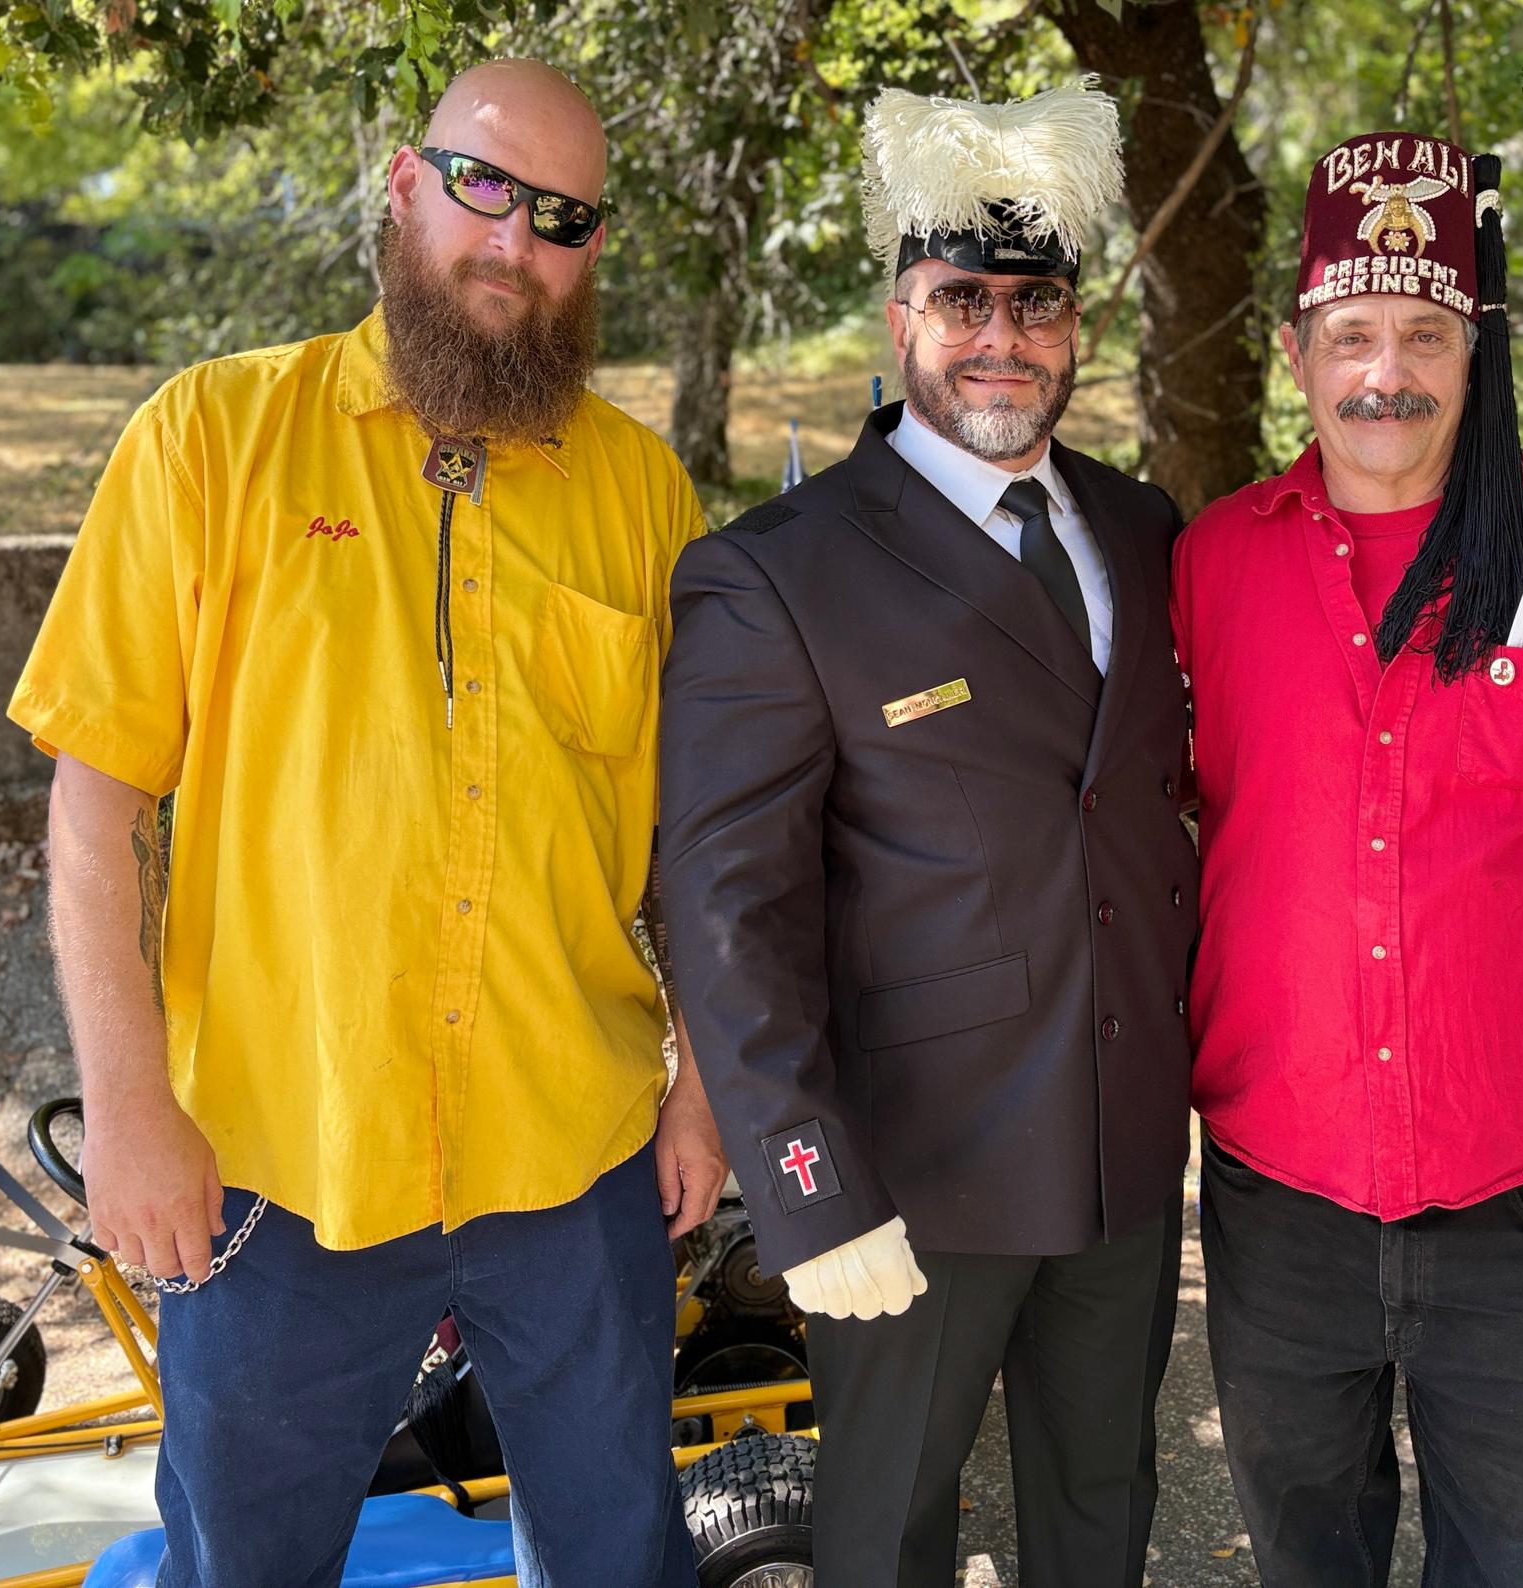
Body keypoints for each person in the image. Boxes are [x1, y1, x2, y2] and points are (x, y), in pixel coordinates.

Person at [8, 58, 716, 1587]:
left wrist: (707, 1080)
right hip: (277, 1166)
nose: (511, 243)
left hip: (576, 1160)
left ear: (595, 248)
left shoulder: (645, 498)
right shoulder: (213, 439)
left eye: (561, 214)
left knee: (618, 1561)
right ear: (404, 183)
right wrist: (129, 1109)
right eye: (481, 185)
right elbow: (96, 801)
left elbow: (706, 841)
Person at [657, 79, 1197, 1588]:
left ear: (1075, 327)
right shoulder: (779, 571)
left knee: (1103, 1511)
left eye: (1034, 303)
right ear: (901, 317)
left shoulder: (1144, 529)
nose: (999, 337)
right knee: (887, 1529)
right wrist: (805, 1182)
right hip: (912, 1172)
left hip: (1124, 1145)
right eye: (961, 298)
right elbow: (725, 902)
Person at [1172, 129, 1523, 1587]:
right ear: (1295, 352)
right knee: (1305, 1560)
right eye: (1354, 334)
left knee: (1507, 1561)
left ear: (1477, 344)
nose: (1388, 371)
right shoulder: (1213, 563)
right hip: (1284, 1195)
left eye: (1428, 334)